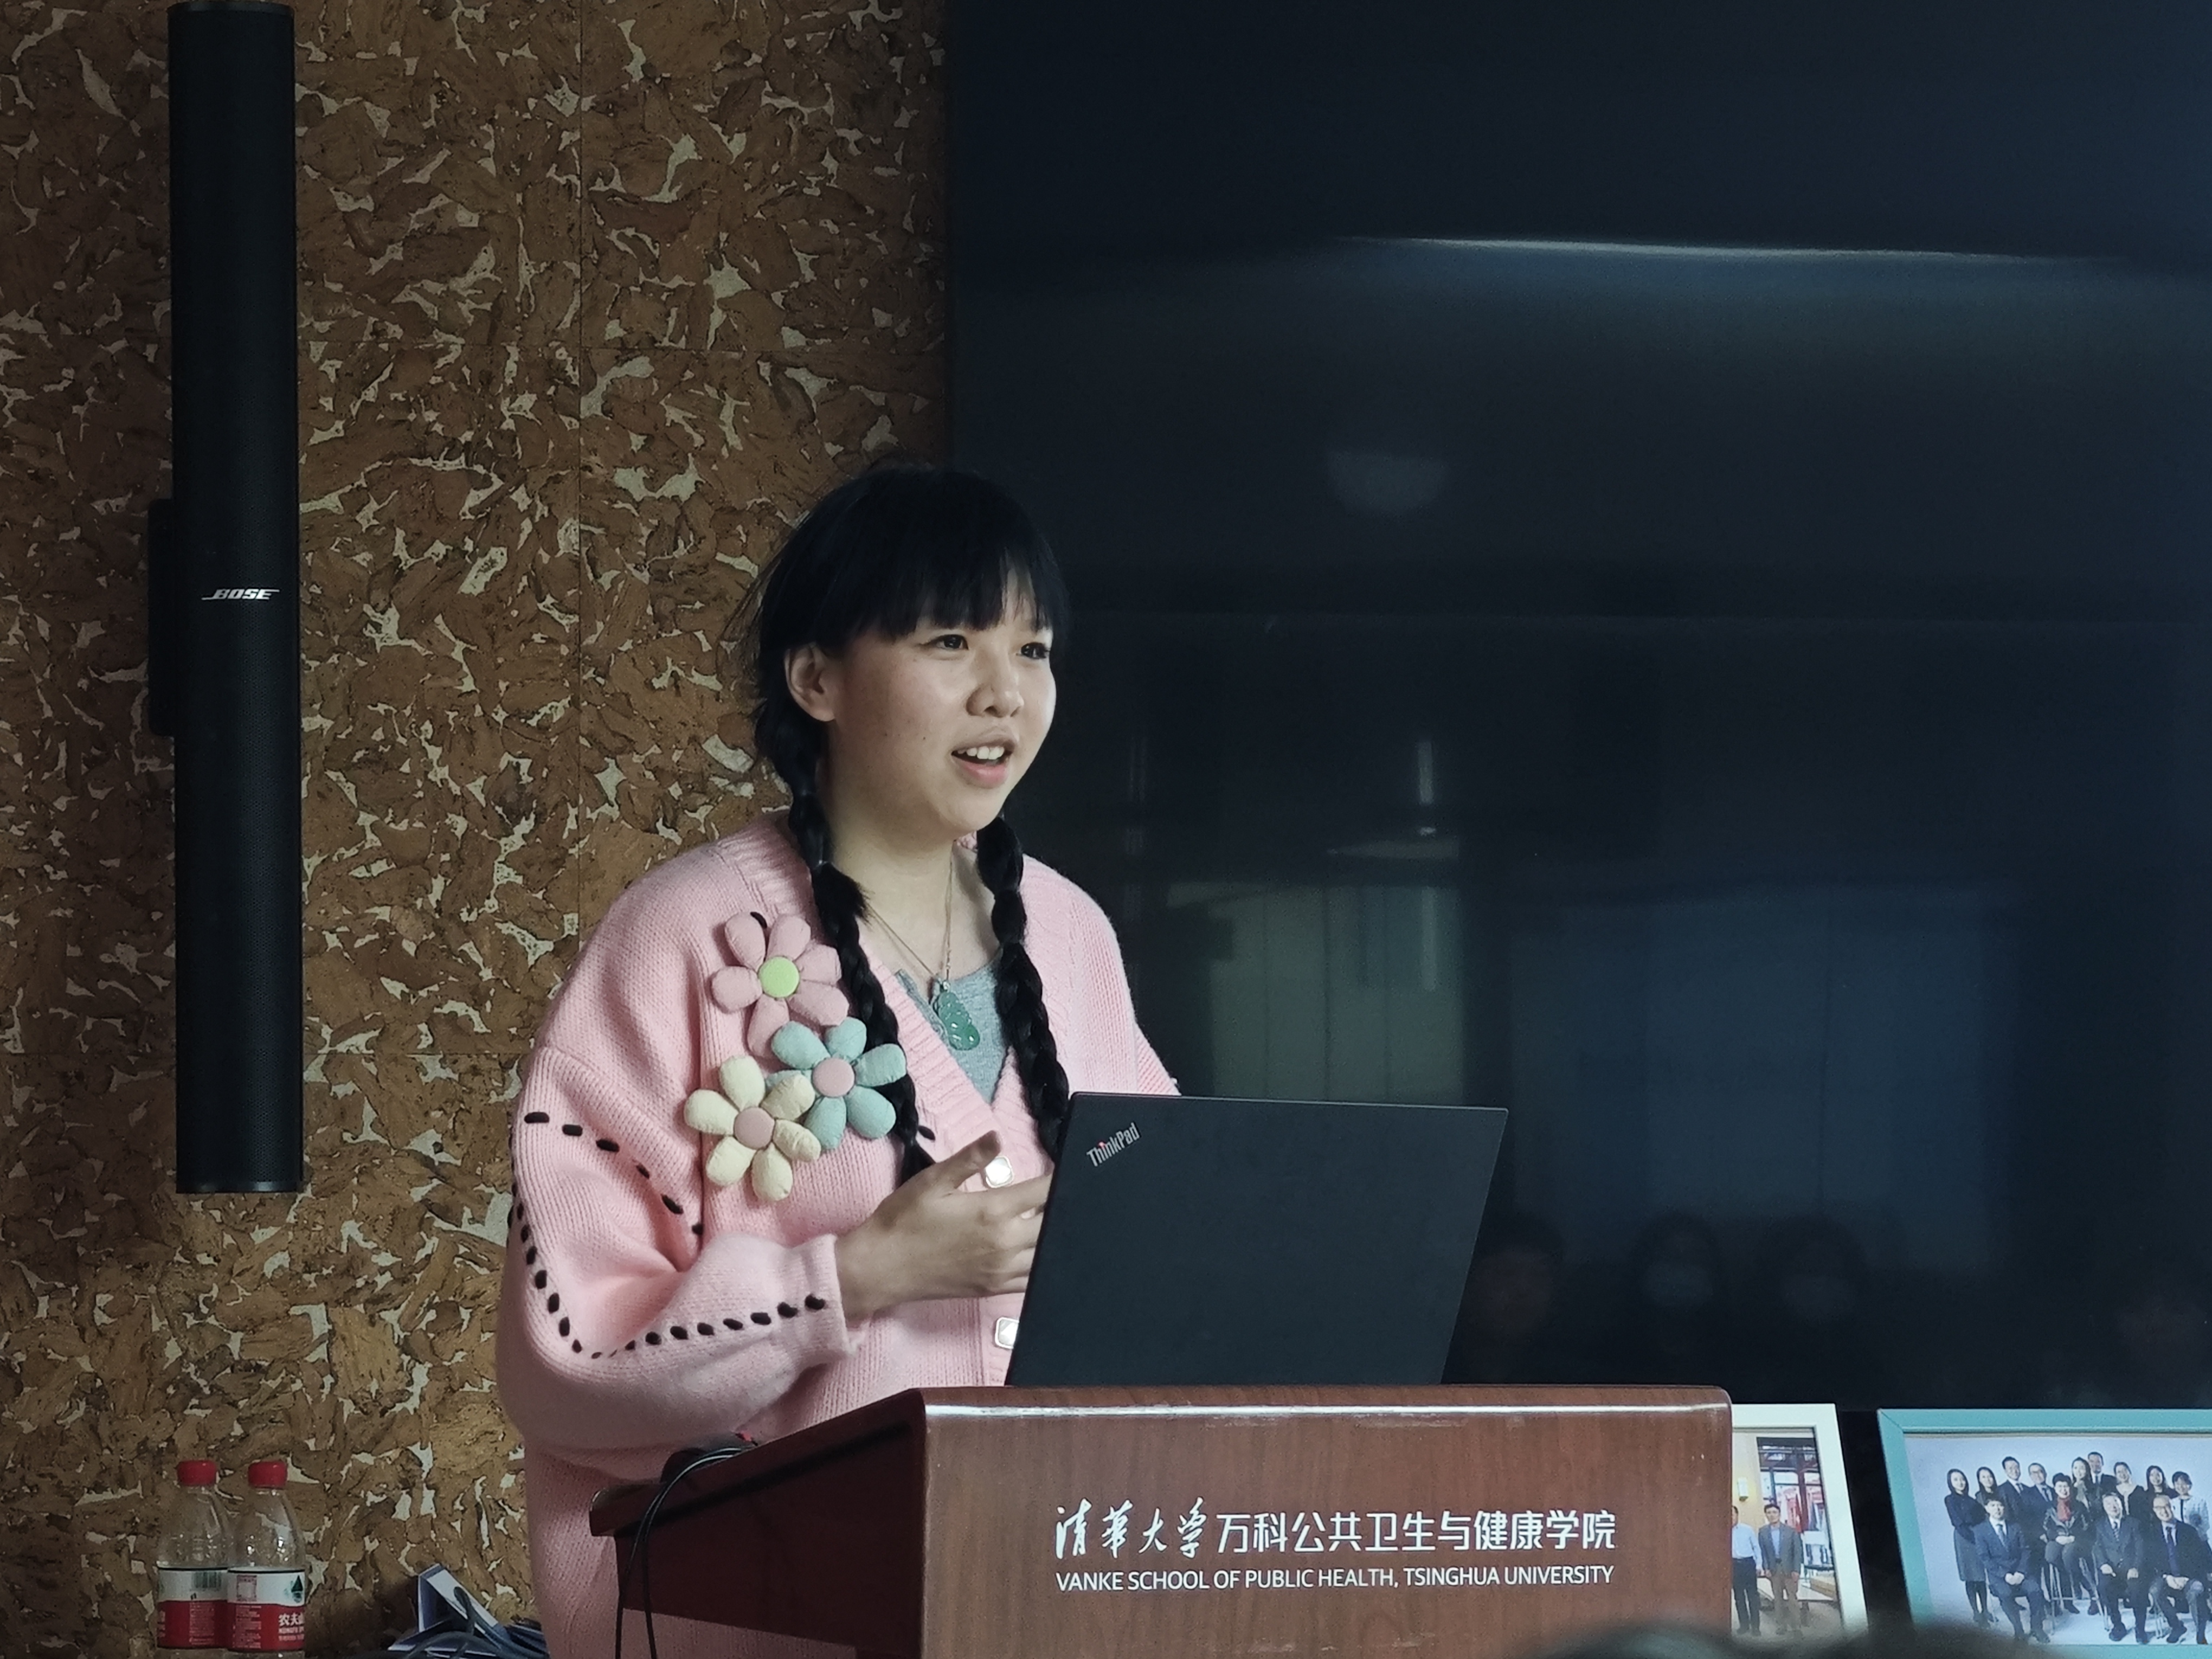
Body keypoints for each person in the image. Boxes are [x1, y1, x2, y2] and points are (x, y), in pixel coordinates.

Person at [495, 465, 1177, 1659]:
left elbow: (1165, 1246)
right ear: (817, 680)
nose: (1005, 692)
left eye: (1033, 650)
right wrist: (856, 1277)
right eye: (952, 641)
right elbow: (568, 1362)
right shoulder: (685, 939)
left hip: (1044, 1603)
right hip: (755, 1623)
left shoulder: (1070, 934)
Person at [1978, 1492, 2052, 1643]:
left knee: (2036, 1590)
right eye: (1993, 1506)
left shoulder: (2015, 1527)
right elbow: (1985, 1558)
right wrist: (2005, 1575)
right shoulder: (1981, 1531)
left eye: (2000, 1505)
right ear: (1987, 1508)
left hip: (2021, 1572)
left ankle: (2037, 1628)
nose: (1997, 1509)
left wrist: (2020, 1572)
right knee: (2005, 1594)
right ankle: (2019, 1630)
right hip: (2000, 1576)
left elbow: (2026, 1550)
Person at [2144, 1492, 2211, 1644]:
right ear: (2154, 1511)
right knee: (2155, 1591)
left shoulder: (2189, 1531)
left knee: (2197, 1589)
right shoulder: (2152, 1533)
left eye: (2167, 1506)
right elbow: (2153, 1561)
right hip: (2167, 1577)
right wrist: (2168, 1577)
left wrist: (2185, 1578)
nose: (2164, 1511)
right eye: (2159, 1508)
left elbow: (2198, 1560)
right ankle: (2177, 1626)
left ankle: (2200, 1634)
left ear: (2172, 1507)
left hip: (2189, 1578)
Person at [2094, 1487, 2151, 1643]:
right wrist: (2103, 1565)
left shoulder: (2134, 1523)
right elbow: (2097, 1548)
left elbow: (2141, 1548)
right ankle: (2118, 1625)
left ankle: (2140, 1628)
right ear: (2104, 1507)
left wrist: (2136, 1567)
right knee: (2104, 1587)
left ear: (2121, 1504)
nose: (2113, 1506)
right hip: (2112, 1571)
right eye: (2108, 1504)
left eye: (2116, 1502)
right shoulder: (2100, 1525)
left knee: (2137, 1588)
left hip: (2132, 1570)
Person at [1950, 1469, 1997, 1627]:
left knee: (1981, 1576)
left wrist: (1984, 1536)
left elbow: (1983, 1518)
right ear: (1951, 1483)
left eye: (1962, 1479)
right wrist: (1976, 1539)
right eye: (1956, 1480)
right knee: (1970, 1576)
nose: (1960, 1483)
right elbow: (1957, 1523)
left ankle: (1985, 1610)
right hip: (1964, 1538)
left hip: (1978, 1535)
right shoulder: (1950, 1500)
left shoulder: (1973, 1500)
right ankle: (1976, 1613)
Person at [2047, 1474, 2093, 1615]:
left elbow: (2088, 1526)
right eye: (2060, 1487)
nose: (2063, 1490)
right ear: (2055, 1489)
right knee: (2051, 1556)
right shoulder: (2050, 1507)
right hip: (2059, 1540)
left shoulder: (2079, 1506)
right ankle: (2076, 1586)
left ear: (2070, 1488)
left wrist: (2074, 1537)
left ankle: (2082, 1587)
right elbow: (2046, 1527)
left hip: (2077, 1541)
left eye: (2066, 1486)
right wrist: (2057, 1537)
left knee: (2068, 1554)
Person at [1760, 1500, 1806, 1634]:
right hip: (1774, 1570)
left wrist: (1797, 1570)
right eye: (1769, 1513)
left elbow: (1797, 1552)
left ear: (1779, 1514)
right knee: (1778, 1599)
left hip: (1789, 1570)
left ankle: (1796, 1627)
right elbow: (1763, 1552)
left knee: (1792, 1599)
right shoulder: (1763, 1532)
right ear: (1766, 1515)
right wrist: (1766, 1568)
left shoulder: (1791, 1531)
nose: (1772, 1515)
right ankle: (1781, 1626)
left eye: (1774, 1512)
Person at [1732, 1502, 1764, 1634]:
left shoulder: (1747, 1529)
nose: (1730, 1517)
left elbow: (1756, 1548)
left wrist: (1759, 1565)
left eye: (1732, 1514)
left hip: (1748, 1564)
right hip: (1734, 1566)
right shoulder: (1721, 1531)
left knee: (1753, 1597)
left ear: (1737, 1515)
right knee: (1739, 1598)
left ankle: (1756, 1627)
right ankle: (1744, 1625)